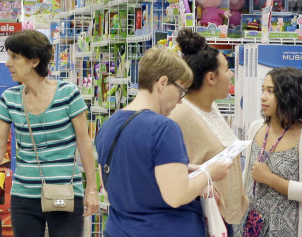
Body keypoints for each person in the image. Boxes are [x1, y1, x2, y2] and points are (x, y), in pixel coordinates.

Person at [94, 47, 232, 237]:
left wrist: (183, 169)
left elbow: (111, 186)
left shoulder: (109, 125)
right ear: (163, 83)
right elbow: (176, 196)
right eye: (180, 91)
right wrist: (209, 172)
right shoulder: (164, 128)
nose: (180, 101)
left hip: (119, 229)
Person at [0, 29, 98, 237]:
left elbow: (84, 142)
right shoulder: (9, 98)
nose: (8, 63)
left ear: (34, 61)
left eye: (14, 57)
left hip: (65, 193)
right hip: (24, 196)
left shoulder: (68, 94)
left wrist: (91, 188)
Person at [169, 29, 248, 235]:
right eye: (227, 69)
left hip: (220, 219)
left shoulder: (212, 107)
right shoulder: (180, 114)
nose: (231, 74)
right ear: (211, 77)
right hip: (197, 220)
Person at [236, 67, 302, 237]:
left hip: (287, 230)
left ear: (290, 95)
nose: (263, 97)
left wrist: (270, 179)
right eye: (263, 90)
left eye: (271, 91)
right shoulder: (256, 128)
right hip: (251, 225)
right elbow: (247, 179)